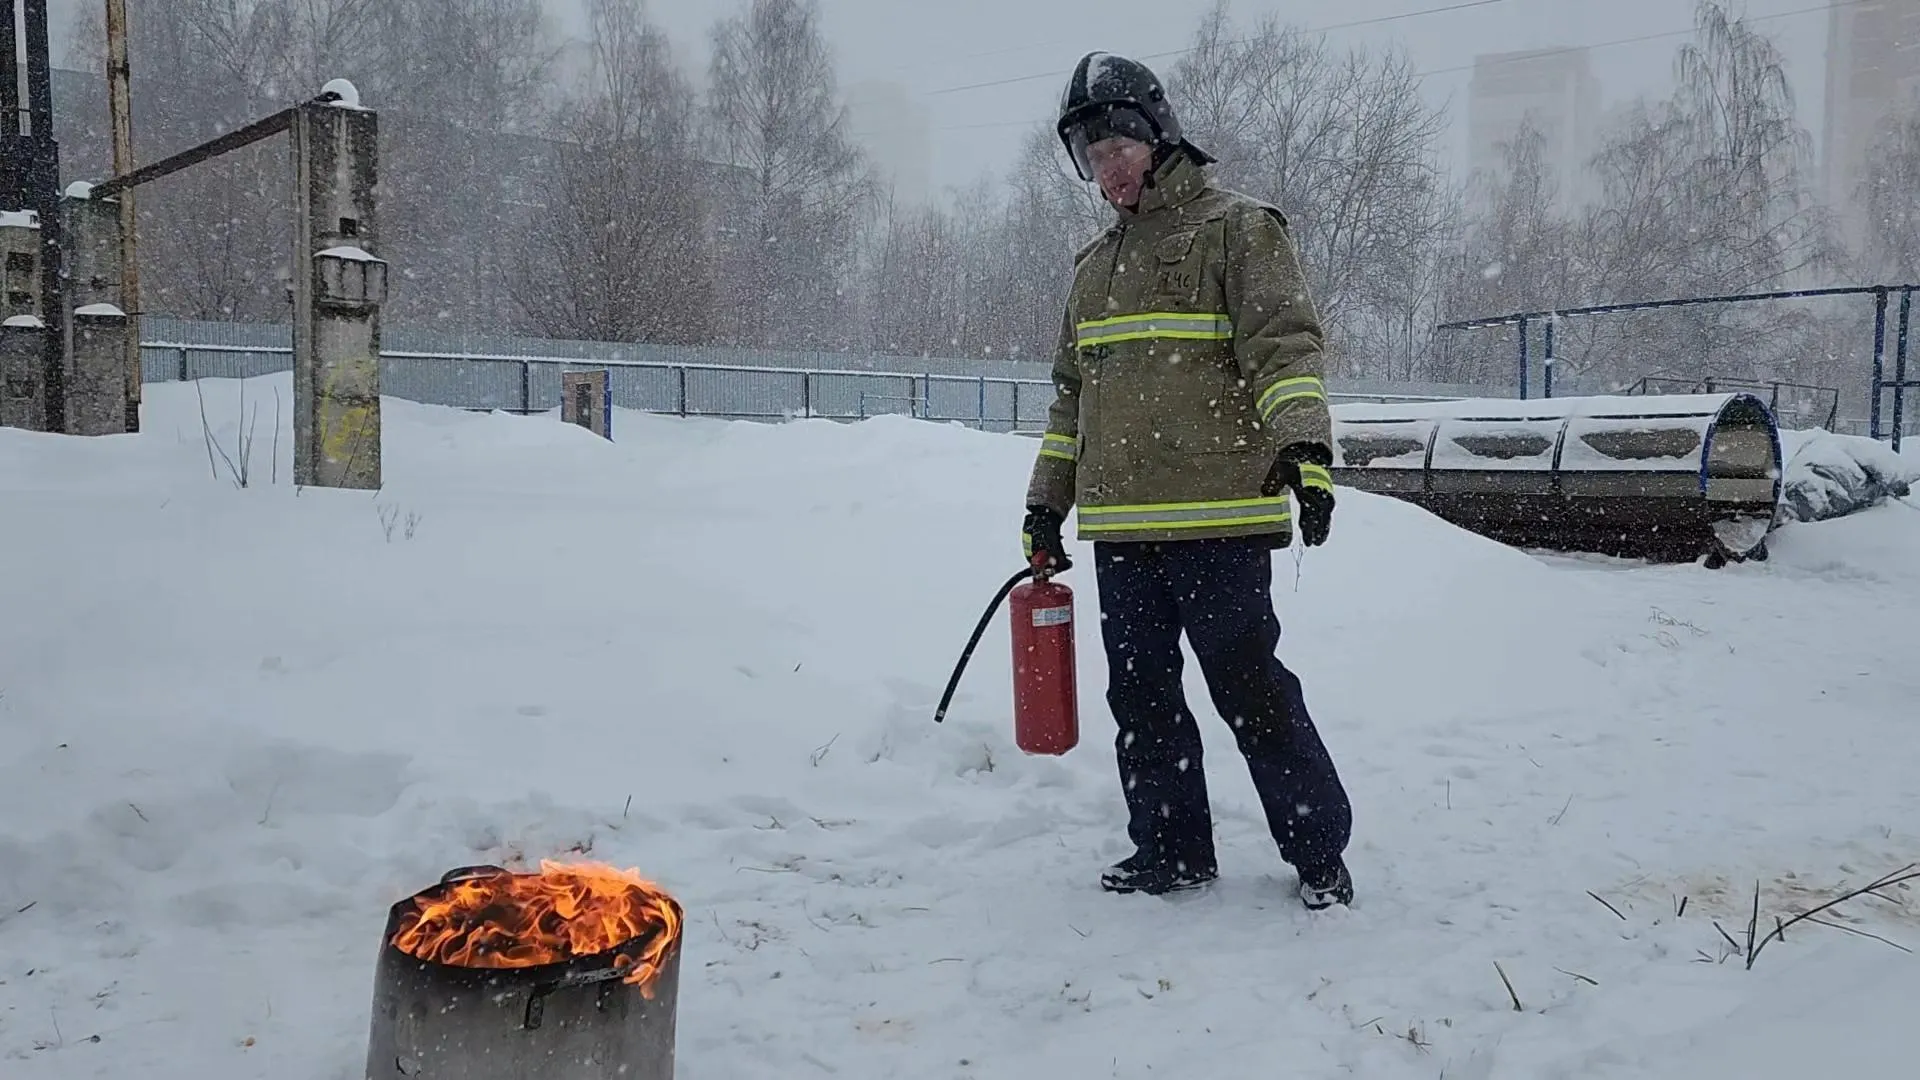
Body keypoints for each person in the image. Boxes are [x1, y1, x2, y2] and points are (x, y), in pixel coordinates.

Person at [1020, 51, 1354, 909]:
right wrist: (1043, 505)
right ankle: (1172, 849)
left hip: (1222, 518)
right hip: (1124, 529)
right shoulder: (1091, 270)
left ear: (1157, 135)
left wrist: (1306, 451)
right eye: (1091, 158)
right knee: (1141, 698)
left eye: (1117, 150)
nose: (1107, 170)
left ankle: (1318, 851)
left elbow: (1283, 350)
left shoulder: (1238, 231)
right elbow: (1071, 400)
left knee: (1250, 689)